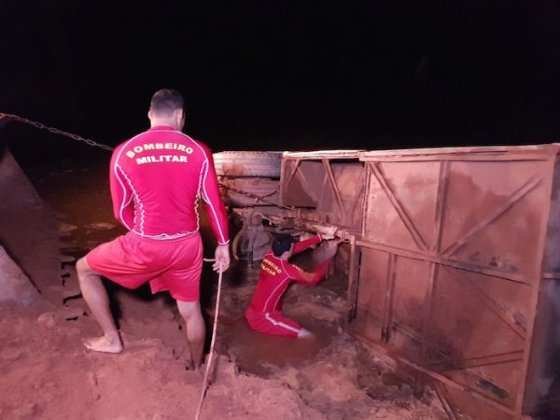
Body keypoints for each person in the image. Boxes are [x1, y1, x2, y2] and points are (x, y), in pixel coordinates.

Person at [76, 89, 230, 369]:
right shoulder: (199, 150)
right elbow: (213, 205)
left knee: (84, 269)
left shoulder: (123, 151)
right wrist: (223, 244)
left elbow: (121, 210)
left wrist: (147, 234)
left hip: (145, 244)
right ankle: (196, 366)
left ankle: (112, 340)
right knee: (192, 311)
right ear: (180, 115)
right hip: (187, 246)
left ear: (149, 114)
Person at [245, 233, 340, 338]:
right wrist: (327, 258)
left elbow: (295, 248)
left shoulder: (269, 256)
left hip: (254, 311)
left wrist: (319, 237)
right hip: (264, 318)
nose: (294, 246)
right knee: (307, 335)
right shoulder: (288, 271)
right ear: (288, 251)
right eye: (292, 245)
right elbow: (314, 279)